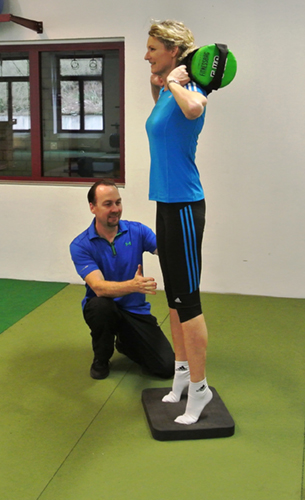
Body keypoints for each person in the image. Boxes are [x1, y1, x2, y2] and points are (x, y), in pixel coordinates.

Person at [144, 20, 212, 425]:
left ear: (173, 50)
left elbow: (194, 109)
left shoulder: (191, 89)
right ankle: (182, 374)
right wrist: (160, 80)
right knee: (174, 297)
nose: (147, 54)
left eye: (153, 48)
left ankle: (201, 390)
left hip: (186, 205)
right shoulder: (168, 89)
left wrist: (171, 82)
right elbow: (160, 112)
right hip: (166, 202)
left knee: (190, 302)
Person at [69, 180, 175, 380]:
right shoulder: (80, 245)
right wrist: (133, 285)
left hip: (135, 311)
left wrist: (179, 233)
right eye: (108, 204)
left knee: (166, 367)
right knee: (100, 307)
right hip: (104, 308)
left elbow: (166, 250)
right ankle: (101, 358)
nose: (115, 209)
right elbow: (98, 287)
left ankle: (126, 342)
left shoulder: (138, 231)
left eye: (118, 202)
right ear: (92, 207)